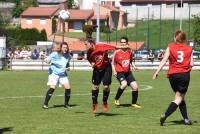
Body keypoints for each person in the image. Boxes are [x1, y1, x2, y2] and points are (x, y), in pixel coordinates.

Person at [153, 30, 193, 126]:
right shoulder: (189, 48)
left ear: (175, 38)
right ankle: (165, 115)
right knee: (179, 98)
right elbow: (192, 63)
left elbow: (163, 60)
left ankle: (186, 119)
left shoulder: (170, 47)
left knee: (179, 97)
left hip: (172, 76)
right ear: (184, 39)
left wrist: (156, 72)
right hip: (183, 75)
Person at [85, 38, 115, 114]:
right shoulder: (89, 53)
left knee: (106, 87)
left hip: (106, 68)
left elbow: (113, 47)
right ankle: (94, 104)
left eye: (86, 44)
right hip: (97, 69)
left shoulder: (101, 46)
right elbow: (91, 61)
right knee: (95, 87)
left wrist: (123, 47)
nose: (85, 46)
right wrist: (92, 64)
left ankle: (104, 101)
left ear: (91, 44)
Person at [112, 37, 141, 108]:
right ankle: (116, 99)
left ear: (127, 43)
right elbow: (112, 63)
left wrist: (134, 66)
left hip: (128, 73)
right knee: (124, 84)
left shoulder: (130, 52)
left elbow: (130, 61)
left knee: (135, 87)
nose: (122, 43)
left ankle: (133, 103)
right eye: (121, 42)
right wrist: (114, 71)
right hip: (120, 72)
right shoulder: (117, 52)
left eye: (124, 42)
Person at [43, 42, 72, 109]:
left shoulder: (68, 56)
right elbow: (47, 60)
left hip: (62, 74)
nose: (65, 49)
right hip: (54, 73)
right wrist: (46, 60)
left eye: (66, 47)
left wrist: (68, 67)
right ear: (60, 48)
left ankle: (66, 104)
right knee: (52, 88)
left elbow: (67, 63)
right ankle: (45, 104)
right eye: (64, 47)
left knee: (68, 88)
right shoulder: (54, 54)